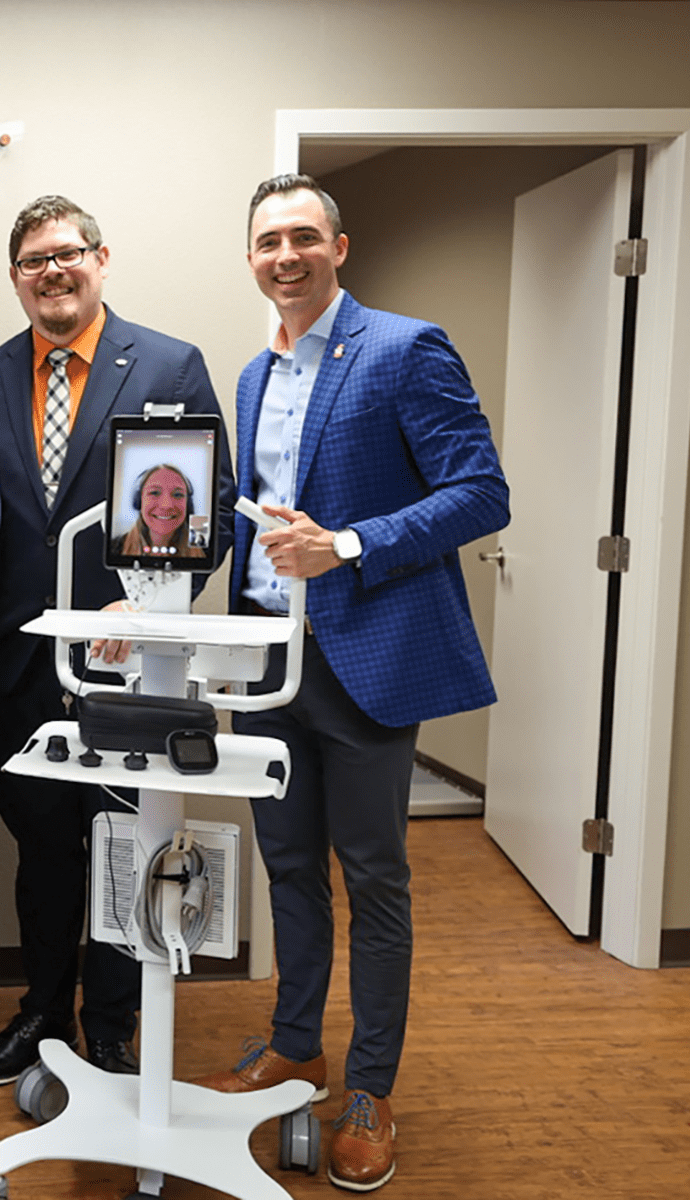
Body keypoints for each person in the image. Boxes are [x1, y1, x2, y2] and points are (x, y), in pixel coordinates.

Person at [192, 174, 509, 1193]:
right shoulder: (252, 375)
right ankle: (297, 1045)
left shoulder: (405, 348)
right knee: (286, 869)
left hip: (368, 658)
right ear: (250, 259)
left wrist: (353, 545)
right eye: (266, 242)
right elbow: (255, 518)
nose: (284, 256)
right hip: (269, 664)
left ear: (338, 245)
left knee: (373, 880)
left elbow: (480, 493)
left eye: (301, 237)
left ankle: (369, 1088)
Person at [0, 195, 233, 1088]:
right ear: (15, 279)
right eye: (34, 261)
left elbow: (211, 512)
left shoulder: (168, 363)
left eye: (67, 254)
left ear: (101, 260)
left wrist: (144, 604)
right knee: (40, 847)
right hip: (11, 658)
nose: (53, 272)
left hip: (128, 663)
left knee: (125, 840)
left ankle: (110, 1024)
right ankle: (43, 1010)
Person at [116, 463, 205, 558]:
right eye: (154, 493)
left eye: (178, 495)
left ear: (188, 504)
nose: (166, 505)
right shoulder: (116, 547)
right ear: (139, 501)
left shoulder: (203, 545)